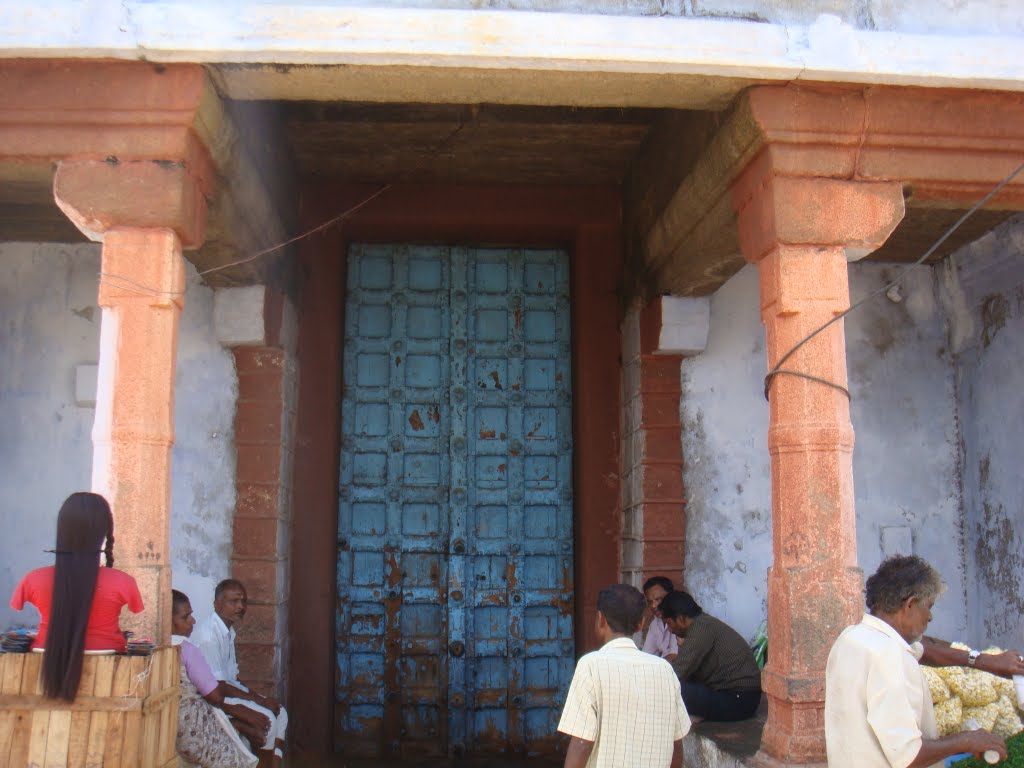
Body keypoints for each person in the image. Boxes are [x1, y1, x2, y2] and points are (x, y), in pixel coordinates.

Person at [825, 555, 1007, 768]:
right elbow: (909, 757)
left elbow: (924, 651)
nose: (930, 617)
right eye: (929, 606)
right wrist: (967, 740)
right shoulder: (889, 655)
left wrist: (983, 661)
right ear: (910, 604)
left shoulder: (851, 637)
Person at [9, 492, 144, 700]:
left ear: (61, 530)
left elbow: (16, 605)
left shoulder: (33, 579)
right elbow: (136, 609)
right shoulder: (123, 582)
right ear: (105, 532)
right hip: (110, 670)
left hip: (39, 663)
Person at [557, 584, 690, 768]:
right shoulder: (665, 670)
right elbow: (676, 744)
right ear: (641, 624)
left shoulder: (591, 665)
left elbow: (582, 742)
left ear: (600, 619)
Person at [192, 579, 288, 766]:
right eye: (233, 602)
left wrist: (255, 698)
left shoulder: (228, 631)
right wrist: (259, 701)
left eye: (243, 601)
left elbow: (232, 679)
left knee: (280, 712)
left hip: (225, 690)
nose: (240, 607)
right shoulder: (209, 636)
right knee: (268, 721)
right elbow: (219, 687)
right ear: (217, 604)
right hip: (212, 698)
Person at [172, 589, 264, 768]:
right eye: (186, 617)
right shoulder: (187, 650)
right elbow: (215, 695)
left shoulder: (152, 647)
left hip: (172, 723)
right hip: (190, 728)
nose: (193, 621)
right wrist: (239, 715)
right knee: (238, 758)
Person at [660, 590, 762, 722]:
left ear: (681, 618)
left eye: (669, 623)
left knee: (672, 688)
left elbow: (678, 672)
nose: (669, 629)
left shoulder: (701, 629)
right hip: (735, 696)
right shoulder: (702, 624)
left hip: (740, 700)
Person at [641, 576, 679, 660]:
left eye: (658, 599)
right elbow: (646, 655)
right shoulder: (655, 623)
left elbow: (674, 656)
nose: (653, 606)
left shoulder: (679, 620)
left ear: (670, 596)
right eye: (650, 602)